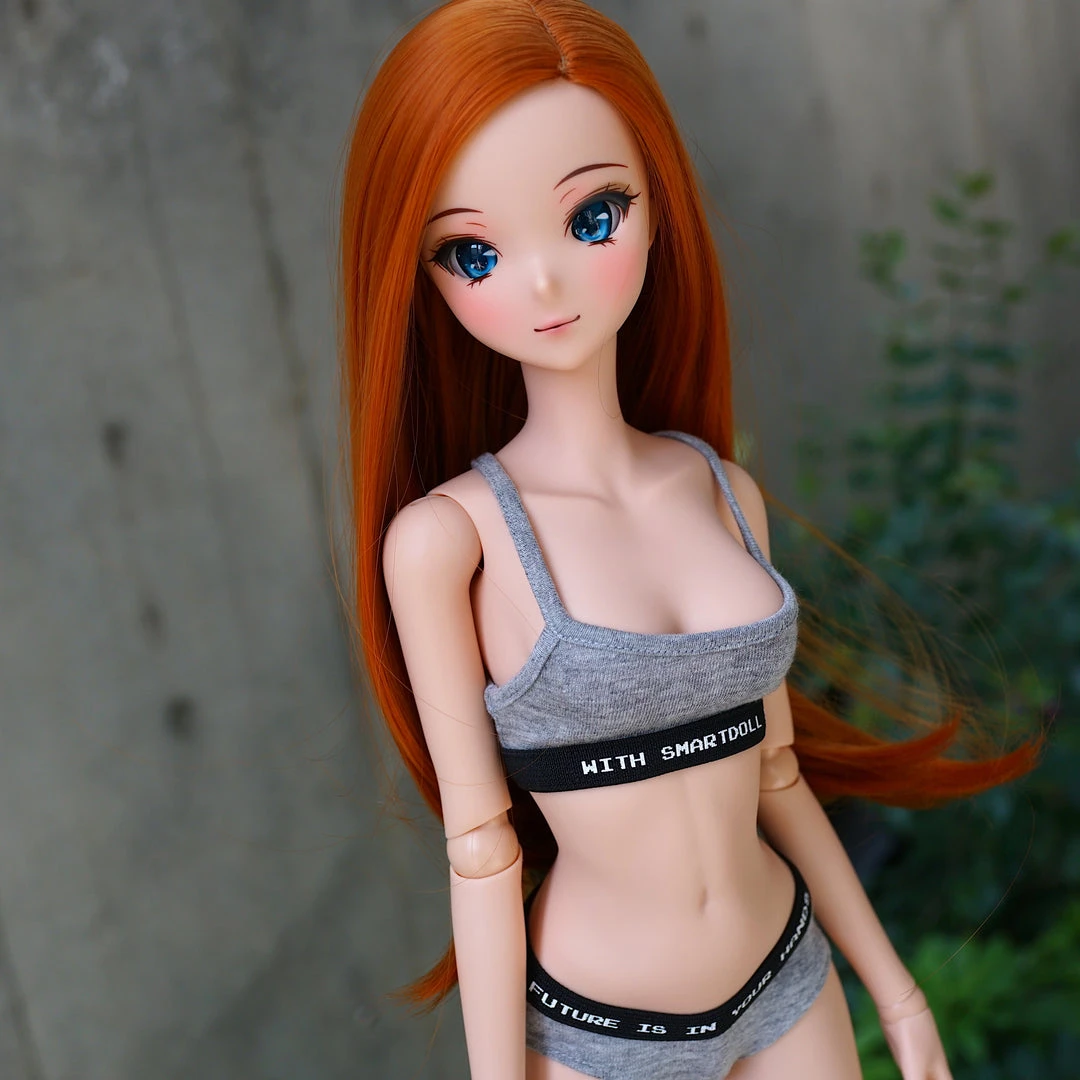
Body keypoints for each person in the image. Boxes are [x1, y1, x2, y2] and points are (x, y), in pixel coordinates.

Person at [336, 2, 1037, 1077]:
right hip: (606, 1034)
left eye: (592, 216)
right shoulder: (448, 542)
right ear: (420, 278)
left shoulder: (721, 491)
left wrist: (894, 989)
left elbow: (777, 776)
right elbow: (479, 854)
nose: (543, 282)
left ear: (657, 206)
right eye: (473, 252)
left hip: (789, 981)